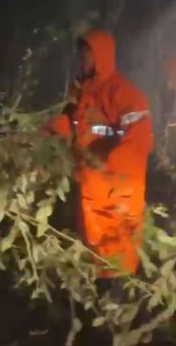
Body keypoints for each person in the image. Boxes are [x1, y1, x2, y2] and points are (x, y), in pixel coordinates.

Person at [44, 30, 153, 277]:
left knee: (118, 243)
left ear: (100, 55)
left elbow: (139, 136)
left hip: (115, 186)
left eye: (87, 53)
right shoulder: (83, 91)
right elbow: (76, 125)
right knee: (93, 241)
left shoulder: (123, 92)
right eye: (81, 54)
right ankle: (98, 284)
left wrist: (109, 164)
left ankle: (123, 287)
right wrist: (49, 128)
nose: (82, 59)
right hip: (90, 182)